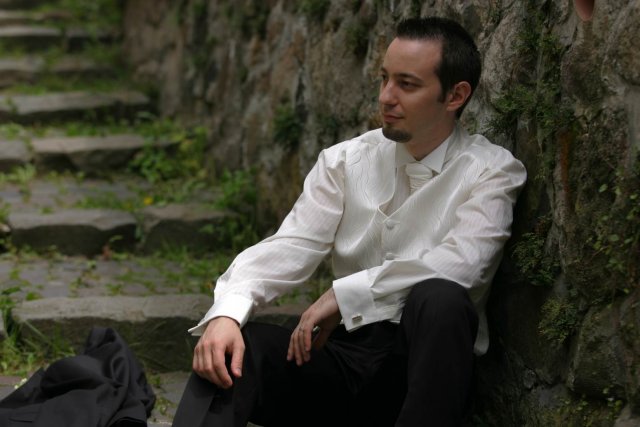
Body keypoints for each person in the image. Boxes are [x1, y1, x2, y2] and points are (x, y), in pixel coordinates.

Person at [173, 16, 526, 427]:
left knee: (441, 299)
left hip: (423, 379)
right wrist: (227, 313)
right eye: (384, 79)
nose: (386, 97)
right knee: (236, 349)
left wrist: (345, 295)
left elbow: (463, 264)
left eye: (407, 84)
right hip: (342, 362)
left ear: (455, 96)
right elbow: (291, 245)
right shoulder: (344, 161)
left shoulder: (492, 171)